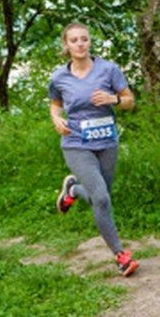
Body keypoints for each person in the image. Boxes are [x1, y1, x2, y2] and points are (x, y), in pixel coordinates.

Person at [49, 22, 139, 277]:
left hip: (106, 141)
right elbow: (55, 104)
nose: (80, 44)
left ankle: (73, 190)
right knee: (100, 197)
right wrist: (56, 119)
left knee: (103, 197)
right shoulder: (59, 77)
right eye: (74, 40)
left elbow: (130, 101)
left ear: (89, 42)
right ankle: (120, 255)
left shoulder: (108, 69)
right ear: (66, 45)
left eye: (84, 39)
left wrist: (114, 99)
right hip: (76, 142)